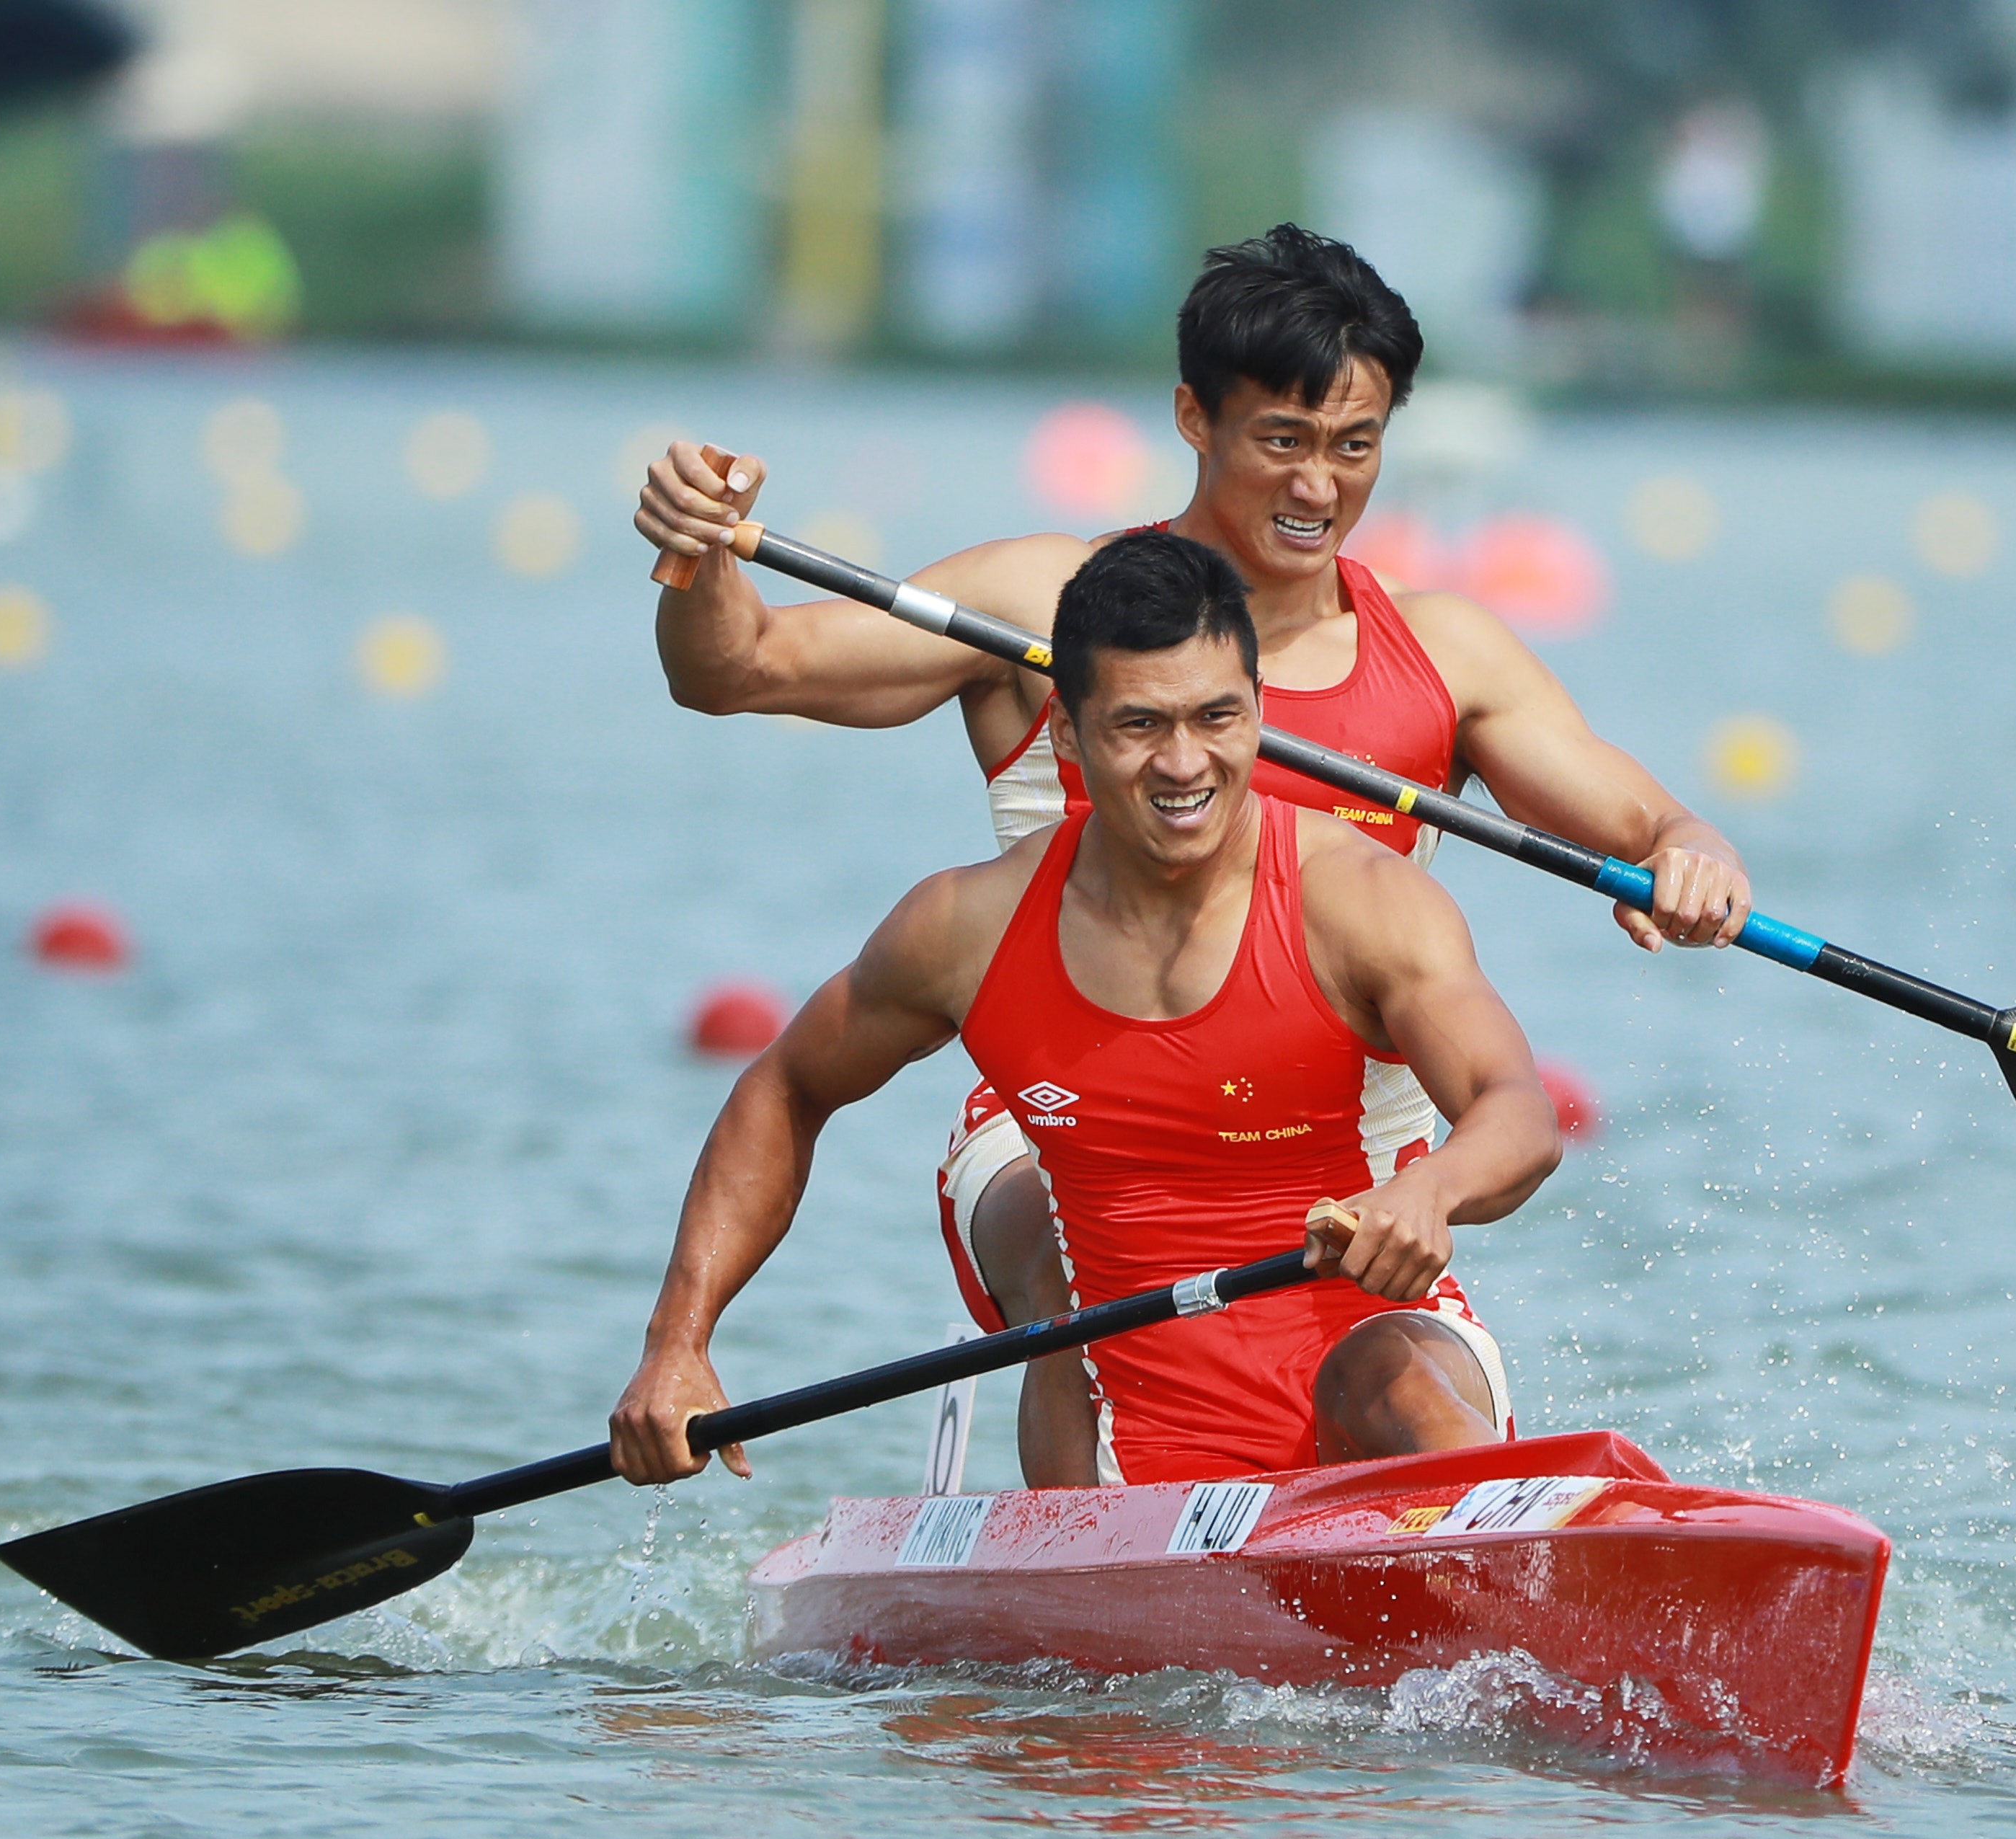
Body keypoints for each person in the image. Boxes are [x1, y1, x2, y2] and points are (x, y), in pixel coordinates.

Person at [634, 223, 1742, 1481]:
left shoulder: (1447, 656)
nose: (1319, 488)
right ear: (1192, 418)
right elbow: (742, 669)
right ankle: (1076, 1576)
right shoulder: (1042, 601)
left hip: (1340, 1151)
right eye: (1283, 441)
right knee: (1060, 1262)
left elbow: (1650, 828)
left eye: (1355, 447)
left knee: (1402, 1393)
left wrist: (1692, 851)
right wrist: (702, 559)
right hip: (1065, 1120)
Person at [608, 532, 1560, 1489]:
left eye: (1218, 717)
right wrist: (676, 1343)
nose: (1186, 765)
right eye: (1140, 725)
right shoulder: (967, 929)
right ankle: (1063, 1572)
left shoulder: (1363, 901)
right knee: (1059, 1327)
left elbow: (1514, 1107)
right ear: (1066, 732)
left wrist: (1428, 1193)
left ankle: (1512, 1531)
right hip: (1137, 1434)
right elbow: (785, 1087)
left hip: (1394, 1383)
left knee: (1379, 1375)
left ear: (1260, 709)